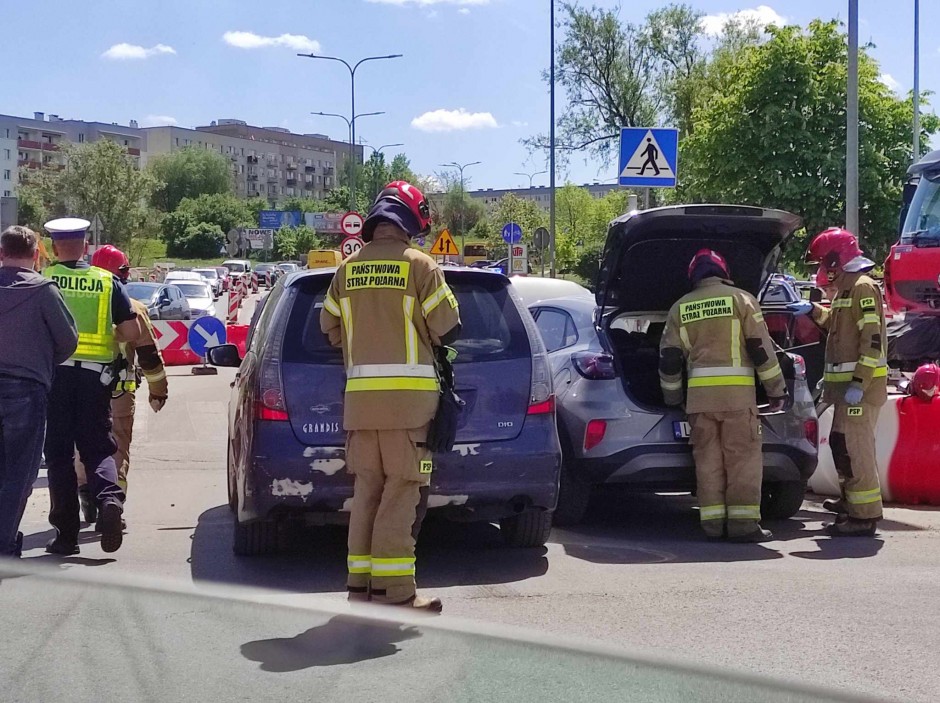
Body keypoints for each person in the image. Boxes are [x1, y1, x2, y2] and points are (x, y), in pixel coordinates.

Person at [320, 181, 461, 611]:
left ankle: (360, 586)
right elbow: (449, 326)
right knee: (403, 492)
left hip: (360, 409)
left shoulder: (347, 270)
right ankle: (396, 593)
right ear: (412, 220)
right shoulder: (421, 266)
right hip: (410, 408)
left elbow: (328, 328)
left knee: (367, 492)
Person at [659, 249, 789, 542]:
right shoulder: (742, 300)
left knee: (708, 463)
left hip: (699, 403)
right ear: (723, 271)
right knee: (742, 461)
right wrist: (776, 390)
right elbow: (760, 350)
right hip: (738, 400)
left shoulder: (680, 308)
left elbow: (668, 359)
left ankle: (713, 526)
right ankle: (743, 526)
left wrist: (672, 399)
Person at [42, 218, 141, 555]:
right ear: (86, 247)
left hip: (55, 377)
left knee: (58, 457)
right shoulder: (106, 281)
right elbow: (132, 333)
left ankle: (66, 536)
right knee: (98, 447)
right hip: (95, 379)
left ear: (55, 247)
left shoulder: (45, 280)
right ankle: (110, 500)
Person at [800, 227, 887, 537]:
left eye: (824, 263)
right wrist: (811, 310)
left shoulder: (863, 287)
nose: (822, 270)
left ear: (838, 259)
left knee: (856, 450)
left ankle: (864, 516)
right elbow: (836, 327)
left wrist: (859, 383)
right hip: (845, 391)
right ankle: (850, 502)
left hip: (859, 392)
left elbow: (872, 340)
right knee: (841, 445)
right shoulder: (846, 290)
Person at [0, 226, 78, 558]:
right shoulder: (44, 290)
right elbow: (67, 340)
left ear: (1, 253)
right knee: (19, 473)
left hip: (24, 386)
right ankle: (3, 545)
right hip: (25, 390)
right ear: (36, 256)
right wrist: (41, 362)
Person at [75, 245, 168, 524]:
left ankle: (87, 496)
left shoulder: (75, 300)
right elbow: (149, 356)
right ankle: (112, 503)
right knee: (116, 447)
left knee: (80, 447)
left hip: (77, 388)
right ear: (121, 273)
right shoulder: (134, 308)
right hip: (119, 391)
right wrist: (158, 391)